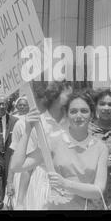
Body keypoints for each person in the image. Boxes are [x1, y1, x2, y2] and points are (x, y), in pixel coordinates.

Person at [11, 91, 108, 210]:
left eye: (84, 111)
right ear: (67, 114)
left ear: (92, 115)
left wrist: (65, 184)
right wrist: (27, 130)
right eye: (73, 111)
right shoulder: (53, 141)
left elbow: (98, 190)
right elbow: (17, 166)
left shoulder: (100, 148)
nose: (78, 116)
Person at [10, 81, 72, 209]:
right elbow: (26, 167)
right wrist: (20, 201)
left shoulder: (76, 122)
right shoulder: (39, 123)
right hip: (44, 186)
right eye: (66, 95)